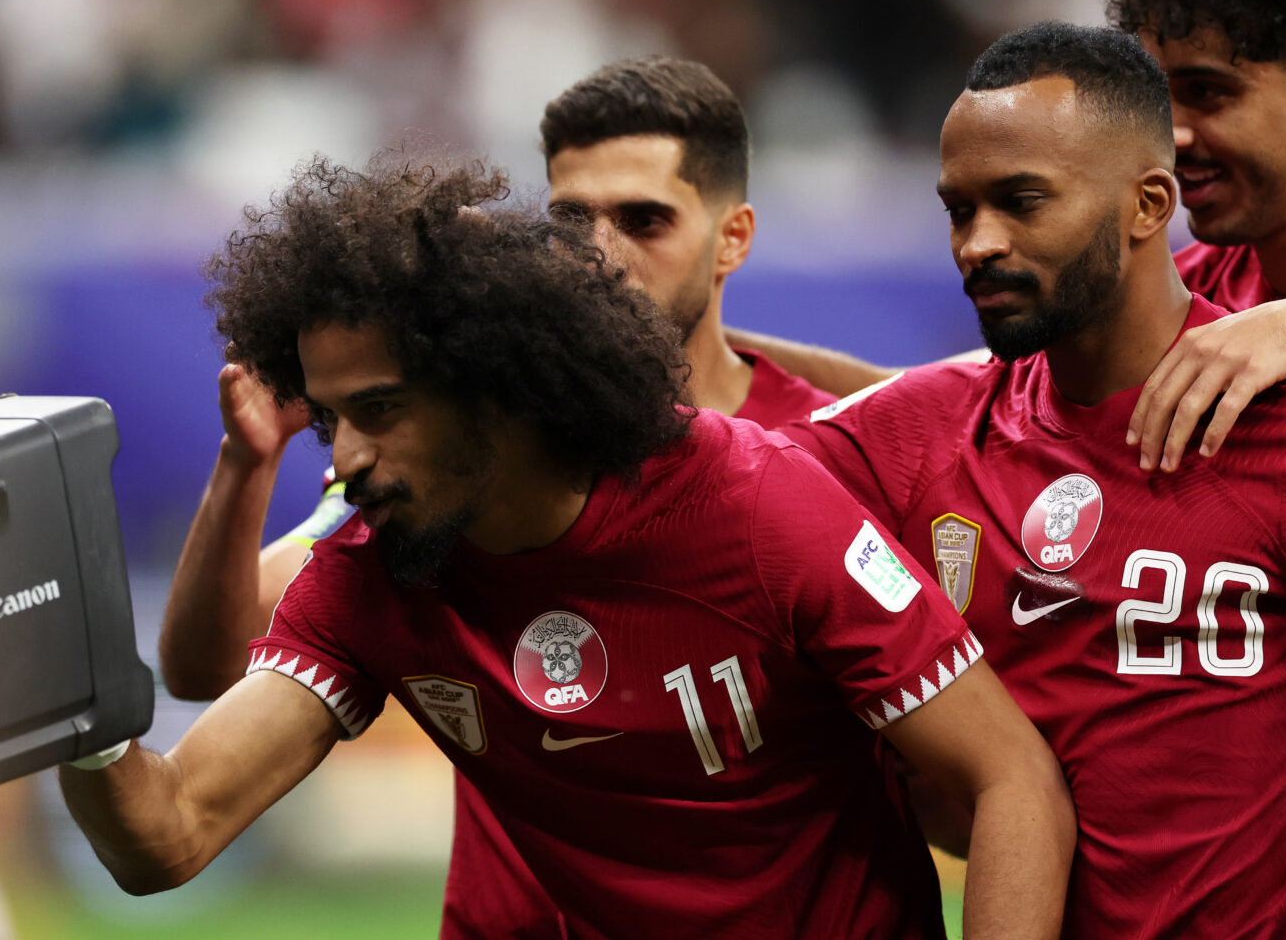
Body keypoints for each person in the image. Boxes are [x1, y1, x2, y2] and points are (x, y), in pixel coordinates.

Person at [67, 155, 1074, 940]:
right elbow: (169, 832)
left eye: (381, 410)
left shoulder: (761, 507)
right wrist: (69, 701)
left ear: (497, 387)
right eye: (331, 419)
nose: (347, 458)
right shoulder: (373, 567)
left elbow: (1012, 779)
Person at [731, 0, 1286, 933]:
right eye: (1155, 93)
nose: (1173, 132)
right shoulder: (1187, 290)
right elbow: (980, 412)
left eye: (1207, 92)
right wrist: (716, 353)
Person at [155, 57, 836, 936]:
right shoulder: (465, 460)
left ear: (731, 237)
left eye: (644, 220)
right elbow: (207, 668)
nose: (602, 251)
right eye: (571, 220)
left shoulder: (820, 451)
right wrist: (245, 466)